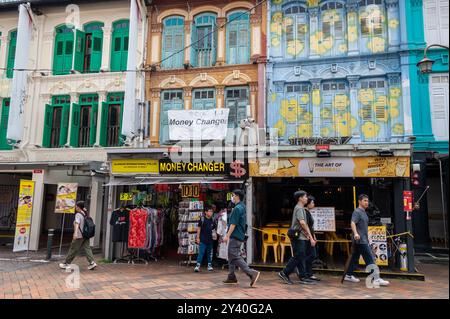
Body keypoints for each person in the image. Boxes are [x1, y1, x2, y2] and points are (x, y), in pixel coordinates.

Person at [344, 194, 389, 286]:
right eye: (364, 201)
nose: (366, 203)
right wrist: (356, 233)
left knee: (354, 258)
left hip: (363, 239)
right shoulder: (357, 212)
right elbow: (352, 222)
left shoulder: (364, 212)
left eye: (367, 201)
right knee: (370, 258)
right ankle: (375, 278)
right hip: (360, 240)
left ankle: (348, 275)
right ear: (359, 201)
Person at [222, 189, 260, 287]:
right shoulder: (243, 207)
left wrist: (227, 236)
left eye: (233, 195)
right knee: (231, 255)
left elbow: (233, 224)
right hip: (240, 235)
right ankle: (231, 276)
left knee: (234, 255)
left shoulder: (237, 208)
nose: (232, 197)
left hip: (235, 235)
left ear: (237, 196)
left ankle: (251, 273)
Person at [278, 190, 316, 285]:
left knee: (301, 255)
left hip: (301, 237)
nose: (307, 198)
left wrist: (308, 235)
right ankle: (284, 272)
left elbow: (303, 224)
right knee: (298, 255)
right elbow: (303, 223)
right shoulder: (299, 208)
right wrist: (310, 237)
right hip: (298, 237)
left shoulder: (301, 208)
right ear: (300, 198)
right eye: (305, 197)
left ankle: (303, 276)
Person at [59, 201, 97, 270]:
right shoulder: (85, 213)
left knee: (73, 249)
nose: (75, 207)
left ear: (78, 207)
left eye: (76, 206)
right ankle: (92, 262)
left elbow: (77, 223)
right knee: (87, 248)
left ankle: (66, 263)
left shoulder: (78, 215)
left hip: (79, 235)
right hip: (86, 235)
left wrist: (75, 233)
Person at [297, 195, 320, 282]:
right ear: (308, 204)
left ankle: (308, 273)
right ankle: (302, 269)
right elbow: (305, 226)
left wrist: (314, 236)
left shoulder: (308, 212)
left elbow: (310, 226)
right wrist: (311, 237)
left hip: (310, 236)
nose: (314, 204)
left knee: (311, 255)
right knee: (311, 255)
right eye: (313, 202)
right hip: (307, 237)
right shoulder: (305, 212)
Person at [194, 207, 215, 272]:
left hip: (210, 240)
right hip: (203, 239)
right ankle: (197, 265)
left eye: (212, 211)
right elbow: (199, 228)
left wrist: (215, 235)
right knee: (201, 252)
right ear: (205, 212)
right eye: (209, 211)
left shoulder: (213, 219)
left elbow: (213, 229)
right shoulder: (202, 219)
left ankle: (209, 265)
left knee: (210, 253)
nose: (211, 212)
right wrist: (197, 238)